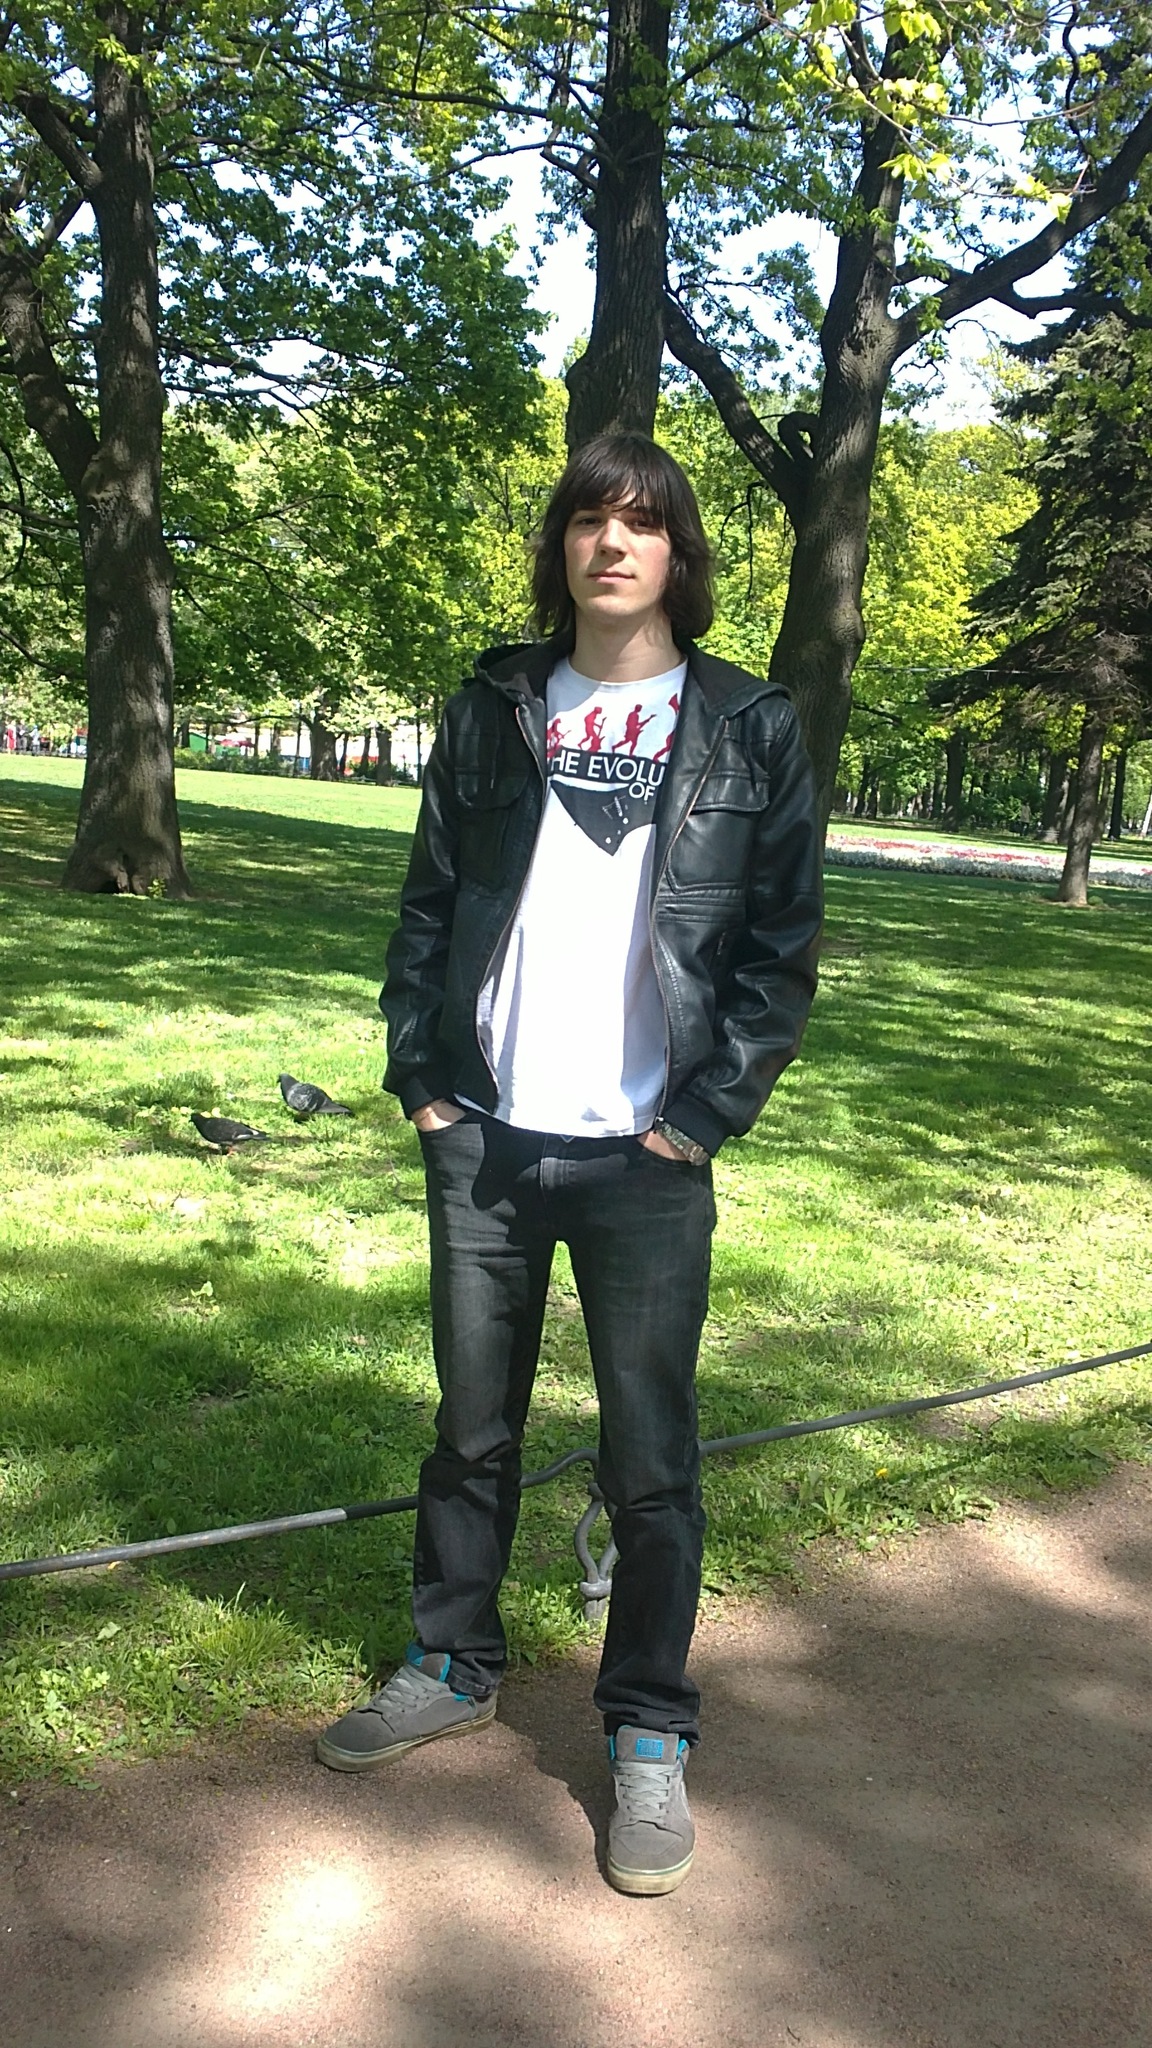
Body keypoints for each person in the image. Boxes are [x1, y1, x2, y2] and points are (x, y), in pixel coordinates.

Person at [317, 432, 823, 1895]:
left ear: (676, 554)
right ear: (561, 548)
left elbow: (780, 951)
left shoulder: (747, 725)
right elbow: (428, 905)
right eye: (590, 520)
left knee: (651, 1454)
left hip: (646, 1156)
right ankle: (451, 1663)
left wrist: (700, 1119)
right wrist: (424, 1083)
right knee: (471, 1429)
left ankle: (649, 1729)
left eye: (641, 523)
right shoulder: (497, 705)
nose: (613, 543)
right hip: (486, 1133)